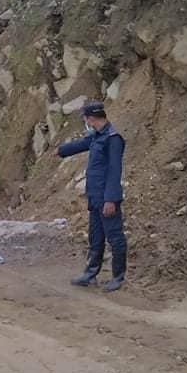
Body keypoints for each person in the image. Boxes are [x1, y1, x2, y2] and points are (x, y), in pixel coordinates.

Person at [57, 101, 127, 292]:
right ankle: (90, 274)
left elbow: (114, 171)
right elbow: (81, 144)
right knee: (95, 237)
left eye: (86, 119)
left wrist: (110, 199)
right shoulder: (97, 136)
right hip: (95, 197)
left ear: (91, 119)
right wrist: (61, 150)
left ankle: (118, 277)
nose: (86, 122)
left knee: (115, 237)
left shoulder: (113, 139)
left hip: (107, 198)